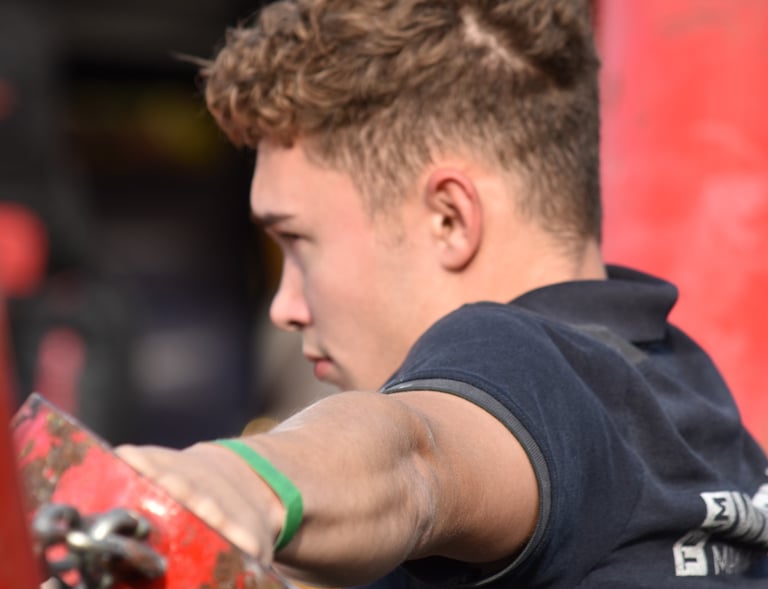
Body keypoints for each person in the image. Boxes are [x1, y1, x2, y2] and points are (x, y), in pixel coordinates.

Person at [118, 0, 768, 586]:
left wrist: (244, 481)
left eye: (298, 241)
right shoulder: (688, 396)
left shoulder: (511, 359)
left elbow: (413, 455)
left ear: (449, 219)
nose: (284, 307)